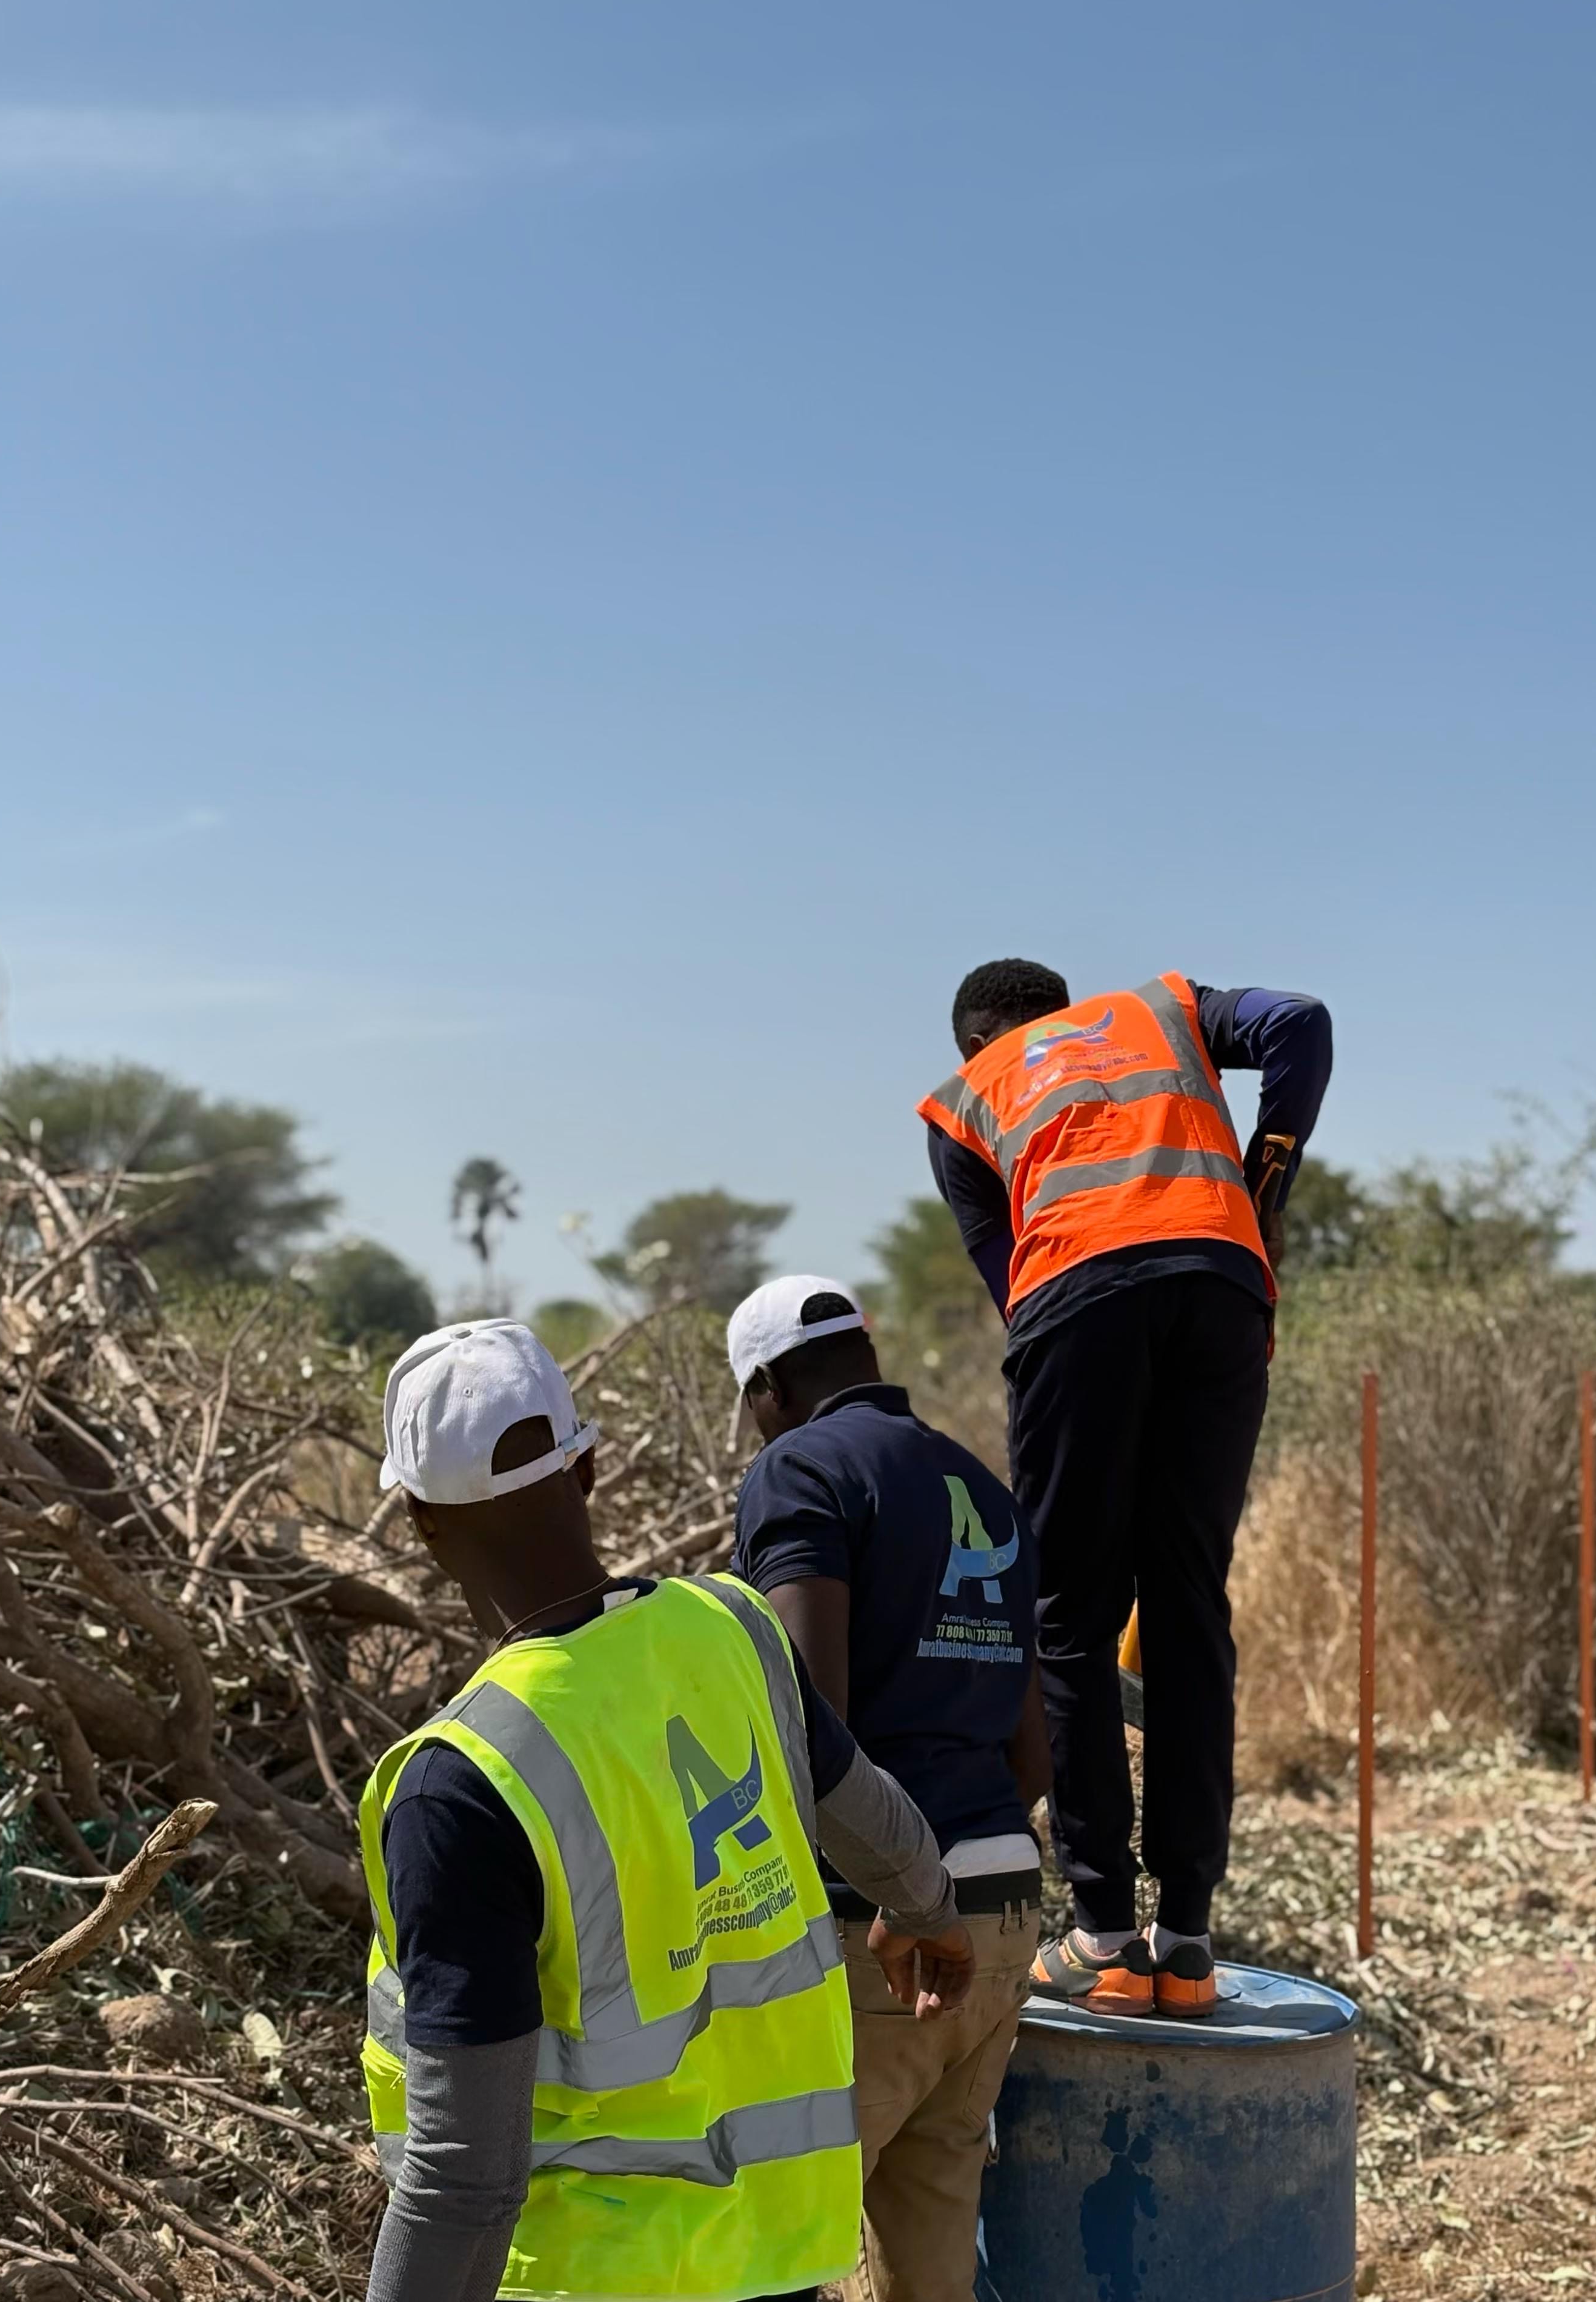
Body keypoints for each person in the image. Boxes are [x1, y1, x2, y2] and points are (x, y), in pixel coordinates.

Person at [359, 1318, 976, 2302]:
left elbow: (461, 2179)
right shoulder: (732, 1629)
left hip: (596, 2278)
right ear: (591, 1468)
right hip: (770, 2257)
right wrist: (930, 1909)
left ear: (421, 1522)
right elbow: (866, 1808)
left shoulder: (463, 1783)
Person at [917, 961, 1332, 2018]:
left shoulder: (967, 1099)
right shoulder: (1161, 1010)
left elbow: (1018, 1287)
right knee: (1189, 1603)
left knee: (1071, 1615)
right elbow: (1301, 1023)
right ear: (1063, 1014)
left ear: (976, 1042)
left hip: (1077, 1301)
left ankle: (1103, 1934)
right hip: (1223, 1279)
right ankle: (1187, 1945)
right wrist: (1263, 1180)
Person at [727, 1277, 1049, 2302]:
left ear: (768, 1386)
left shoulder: (800, 1471)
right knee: (931, 2262)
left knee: (772, 2254)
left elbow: (809, 1728)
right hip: (1003, 1919)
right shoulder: (978, 1484)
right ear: (868, 1354)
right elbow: (1035, 1755)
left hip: (887, 1934)